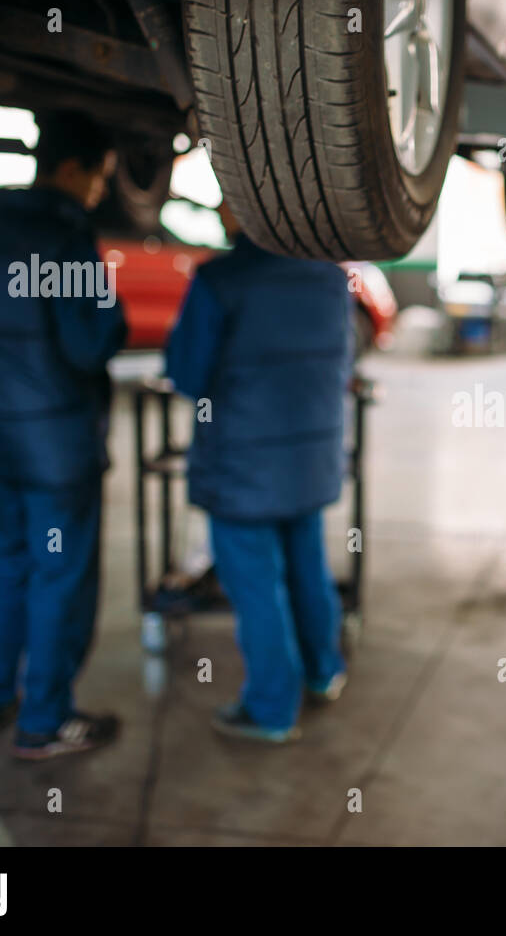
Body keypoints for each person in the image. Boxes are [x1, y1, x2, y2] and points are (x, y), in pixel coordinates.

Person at [0, 110, 126, 759]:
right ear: (70, 169)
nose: (100, 193)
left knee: (9, 558)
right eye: (100, 178)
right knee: (60, 575)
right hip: (60, 446)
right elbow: (93, 340)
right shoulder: (64, 236)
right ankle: (44, 722)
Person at [166, 200, 351, 744]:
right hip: (308, 464)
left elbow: (185, 373)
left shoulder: (222, 279)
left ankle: (270, 708)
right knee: (307, 571)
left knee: (257, 589)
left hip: (243, 468)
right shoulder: (331, 280)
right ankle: (323, 672)